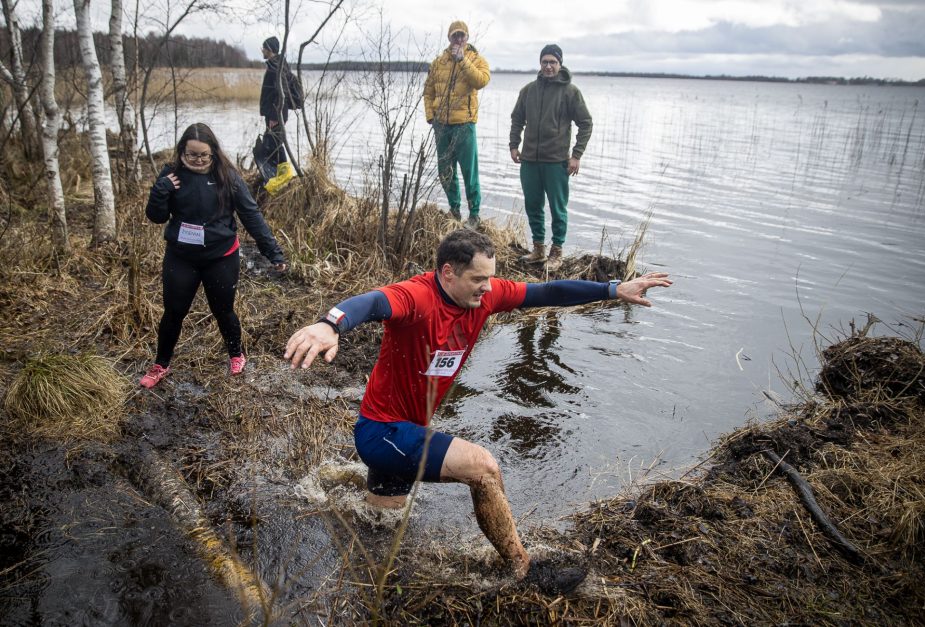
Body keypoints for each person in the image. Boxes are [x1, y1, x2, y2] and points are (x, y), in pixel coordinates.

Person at [284, 229, 671, 594]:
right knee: (484, 468)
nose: (487, 288)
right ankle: (523, 568)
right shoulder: (416, 297)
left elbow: (547, 291)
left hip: (402, 434)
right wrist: (329, 324)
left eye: (491, 279)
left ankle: (364, 564)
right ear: (448, 273)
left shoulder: (485, 297)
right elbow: (371, 302)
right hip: (382, 433)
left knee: (380, 524)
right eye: (478, 279)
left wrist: (612, 289)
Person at [140, 123, 287, 389]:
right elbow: (156, 216)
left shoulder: (227, 177)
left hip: (221, 256)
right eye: (191, 154)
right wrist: (160, 190)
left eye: (203, 155)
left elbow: (250, 214)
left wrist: (272, 252)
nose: (197, 160)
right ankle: (161, 364)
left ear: (213, 153)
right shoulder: (171, 175)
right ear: (182, 151)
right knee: (174, 311)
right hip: (181, 257)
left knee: (223, 310)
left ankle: (236, 354)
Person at [509, 44, 593, 272]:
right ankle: (538, 249)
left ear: (560, 64)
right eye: (545, 62)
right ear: (540, 63)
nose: (548, 66)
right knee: (533, 205)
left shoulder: (570, 92)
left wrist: (576, 156)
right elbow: (517, 118)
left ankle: (556, 252)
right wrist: (514, 145)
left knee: (558, 208)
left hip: (556, 162)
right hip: (529, 161)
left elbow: (585, 123)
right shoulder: (528, 91)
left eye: (553, 62)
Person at [423, 21, 490, 230]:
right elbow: (428, 92)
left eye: (462, 35)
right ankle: (454, 209)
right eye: (455, 36)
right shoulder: (438, 63)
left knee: (470, 171)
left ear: (467, 37)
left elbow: (481, 81)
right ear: (449, 38)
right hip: (441, 126)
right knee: (445, 171)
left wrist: (463, 61)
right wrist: (431, 116)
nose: (458, 39)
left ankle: (474, 214)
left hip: (465, 125)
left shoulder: (476, 59)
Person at [259, 36, 295, 194]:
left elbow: (282, 93)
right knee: (273, 142)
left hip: (276, 113)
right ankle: (277, 174)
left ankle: (284, 175)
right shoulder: (277, 65)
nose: (262, 50)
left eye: (264, 48)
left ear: (269, 49)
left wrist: (275, 116)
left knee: (276, 142)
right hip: (274, 112)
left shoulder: (276, 67)